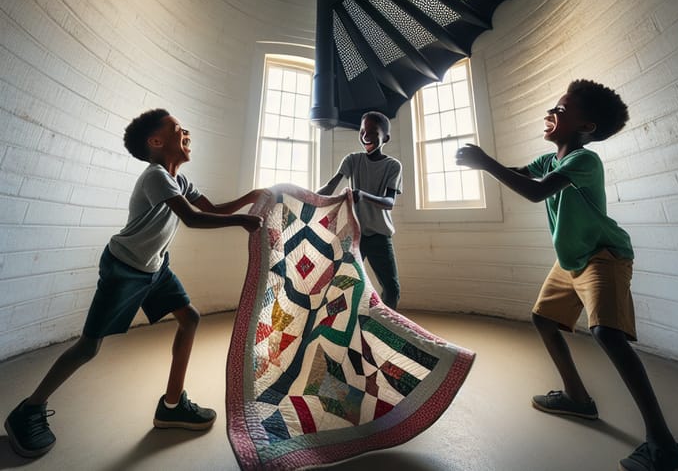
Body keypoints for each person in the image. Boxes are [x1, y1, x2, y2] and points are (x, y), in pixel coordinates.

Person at [455, 80, 678, 471]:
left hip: (604, 257)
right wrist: (484, 166)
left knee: (607, 334)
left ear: (587, 128)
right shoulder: (550, 161)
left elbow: (535, 193)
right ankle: (578, 399)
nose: (552, 113)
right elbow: (522, 175)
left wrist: (485, 162)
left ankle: (664, 446)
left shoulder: (584, 160)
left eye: (562, 110)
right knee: (544, 318)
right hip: (572, 260)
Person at [4, 109, 266, 458]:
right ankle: (28, 410)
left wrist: (250, 197)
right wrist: (243, 220)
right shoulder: (156, 176)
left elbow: (213, 209)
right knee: (88, 347)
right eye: (177, 129)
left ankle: (172, 405)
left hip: (155, 268)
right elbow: (192, 218)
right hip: (124, 268)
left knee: (190, 319)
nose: (185, 131)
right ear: (156, 142)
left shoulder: (180, 181)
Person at [317, 111, 403, 309]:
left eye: (373, 132)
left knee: (391, 289)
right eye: (363, 130)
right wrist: (305, 198)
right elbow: (330, 188)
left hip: (380, 236)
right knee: (341, 286)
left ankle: (386, 328)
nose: (365, 136)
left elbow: (389, 202)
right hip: (354, 235)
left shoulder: (393, 166)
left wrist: (363, 195)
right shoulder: (352, 160)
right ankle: (342, 330)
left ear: (386, 137)